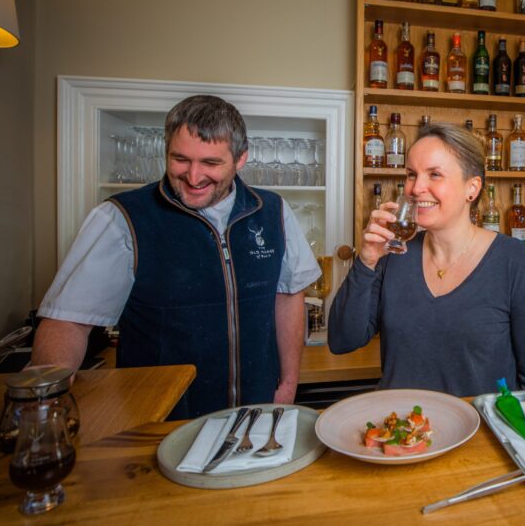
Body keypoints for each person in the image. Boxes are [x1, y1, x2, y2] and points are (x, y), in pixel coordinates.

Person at [32, 95, 321, 418]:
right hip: (158, 418)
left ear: (241, 159)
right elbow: (68, 322)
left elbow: (288, 297)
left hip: (256, 412)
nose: (194, 177)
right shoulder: (121, 218)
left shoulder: (273, 211)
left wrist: (288, 384)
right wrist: (43, 405)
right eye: (180, 159)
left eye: (211, 163)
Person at [328, 122, 525, 396]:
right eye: (411, 174)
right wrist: (366, 261)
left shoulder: (515, 262)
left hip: (480, 432)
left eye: (434, 174)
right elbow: (342, 340)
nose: (416, 187)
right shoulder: (393, 254)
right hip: (402, 427)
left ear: (472, 188)